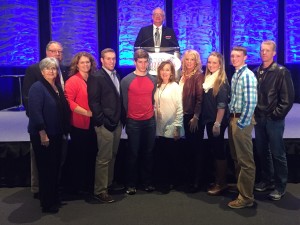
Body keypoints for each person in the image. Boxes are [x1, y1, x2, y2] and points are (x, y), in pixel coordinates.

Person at [22, 41, 68, 199]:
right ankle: (39, 191)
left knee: (54, 163)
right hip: (43, 130)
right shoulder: (34, 72)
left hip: (57, 129)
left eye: (60, 52)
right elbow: (29, 102)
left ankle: (52, 190)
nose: (57, 55)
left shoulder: (63, 70)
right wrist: (40, 126)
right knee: (42, 164)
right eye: (54, 51)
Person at [253, 40, 294, 200]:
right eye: (262, 50)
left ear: (274, 53)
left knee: (278, 153)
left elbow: (287, 99)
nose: (264, 53)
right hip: (260, 119)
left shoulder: (282, 72)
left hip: (274, 119)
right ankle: (267, 181)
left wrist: (276, 115)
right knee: (263, 152)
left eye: (267, 50)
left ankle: (280, 185)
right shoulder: (256, 71)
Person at [87, 48, 124, 203]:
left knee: (112, 156)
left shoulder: (116, 74)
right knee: (103, 158)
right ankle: (100, 191)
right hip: (105, 125)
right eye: (108, 59)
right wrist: (102, 121)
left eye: (114, 58)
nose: (111, 61)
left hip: (116, 123)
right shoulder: (96, 76)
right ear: (102, 60)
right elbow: (94, 102)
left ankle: (108, 184)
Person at [121, 49, 156, 195]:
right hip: (133, 122)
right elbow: (124, 102)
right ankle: (131, 184)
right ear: (135, 62)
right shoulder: (126, 80)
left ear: (148, 62)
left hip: (149, 121)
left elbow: (154, 100)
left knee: (148, 153)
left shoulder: (153, 79)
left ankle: (146, 182)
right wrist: (127, 120)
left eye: (145, 61)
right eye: (140, 61)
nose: (143, 64)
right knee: (133, 154)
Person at [64, 52, 98, 196]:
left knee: (92, 154)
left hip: (94, 124)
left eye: (88, 62)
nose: (85, 65)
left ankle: (89, 184)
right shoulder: (72, 81)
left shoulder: (94, 79)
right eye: (82, 62)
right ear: (77, 65)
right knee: (80, 156)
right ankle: (78, 186)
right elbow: (69, 102)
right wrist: (86, 113)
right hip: (79, 123)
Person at [227, 46, 257, 209]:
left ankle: (246, 197)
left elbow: (251, 102)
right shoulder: (236, 75)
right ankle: (241, 188)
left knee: (245, 160)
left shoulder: (247, 76)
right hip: (234, 119)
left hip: (241, 121)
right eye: (232, 56)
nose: (234, 58)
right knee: (237, 157)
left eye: (238, 56)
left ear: (245, 57)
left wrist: (241, 123)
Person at [202, 52, 230, 195]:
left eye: (214, 63)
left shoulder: (221, 81)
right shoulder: (208, 78)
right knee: (214, 149)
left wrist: (217, 123)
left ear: (220, 65)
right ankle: (218, 180)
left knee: (219, 151)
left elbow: (221, 105)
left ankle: (222, 183)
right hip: (209, 120)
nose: (211, 65)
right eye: (209, 62)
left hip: (216, 122)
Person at [154, 60, 183, 194]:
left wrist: (177, 127)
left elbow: (179, 108)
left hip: (171, 126)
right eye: (163, 69)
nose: (165, 72)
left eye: (168, 69)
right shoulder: (158, 86)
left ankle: (171, 182)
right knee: (162, 156)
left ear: (172, 72)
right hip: (159, 126)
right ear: (159, 71)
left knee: (172, 156)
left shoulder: (175, 86)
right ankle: (163, 181)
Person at [179, 49, 205, 193]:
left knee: (196, 149)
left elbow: (200, 99)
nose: (189, 62)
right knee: (188, 149)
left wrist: (196, 116)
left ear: (197, 62)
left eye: (192, 60)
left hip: (193, 117)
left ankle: (197, 182)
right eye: (187, 59)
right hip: (183, 116)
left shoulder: (198, 76)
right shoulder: (182, 76)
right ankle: (188, 179)